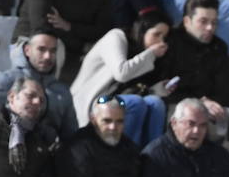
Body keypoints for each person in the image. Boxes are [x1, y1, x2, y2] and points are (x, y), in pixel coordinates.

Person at [152, 0, 229, 167]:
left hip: (210, 112)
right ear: (187, 21)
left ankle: (222, 168)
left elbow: (226, 91)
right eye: (203, 22)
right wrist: (199, 103)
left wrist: (210, 104)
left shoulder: (219, 47)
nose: (210, 28)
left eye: (214, 23)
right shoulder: (170, 42)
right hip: (177, 107)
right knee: (179, 113)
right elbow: (162, 88)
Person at [70, 7, 170, 145]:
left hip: (119, 100)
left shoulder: (146, 57)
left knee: (156, 103)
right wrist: (151, 54)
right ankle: (127, 155)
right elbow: (121, 73)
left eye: (164, 37)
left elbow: (132, 89)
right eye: (156, 34)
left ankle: (151, 157)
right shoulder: (116, 36)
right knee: (136, 103)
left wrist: (156, 89)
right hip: (96, 101)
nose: (160, 42)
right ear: (142, 30)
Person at [0, 30, 79, 139]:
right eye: (41, 49)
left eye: (53, 51)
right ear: (27, 50)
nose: (48, 56)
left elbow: (71, 137)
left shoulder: (62, 91)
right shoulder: (4, 81)